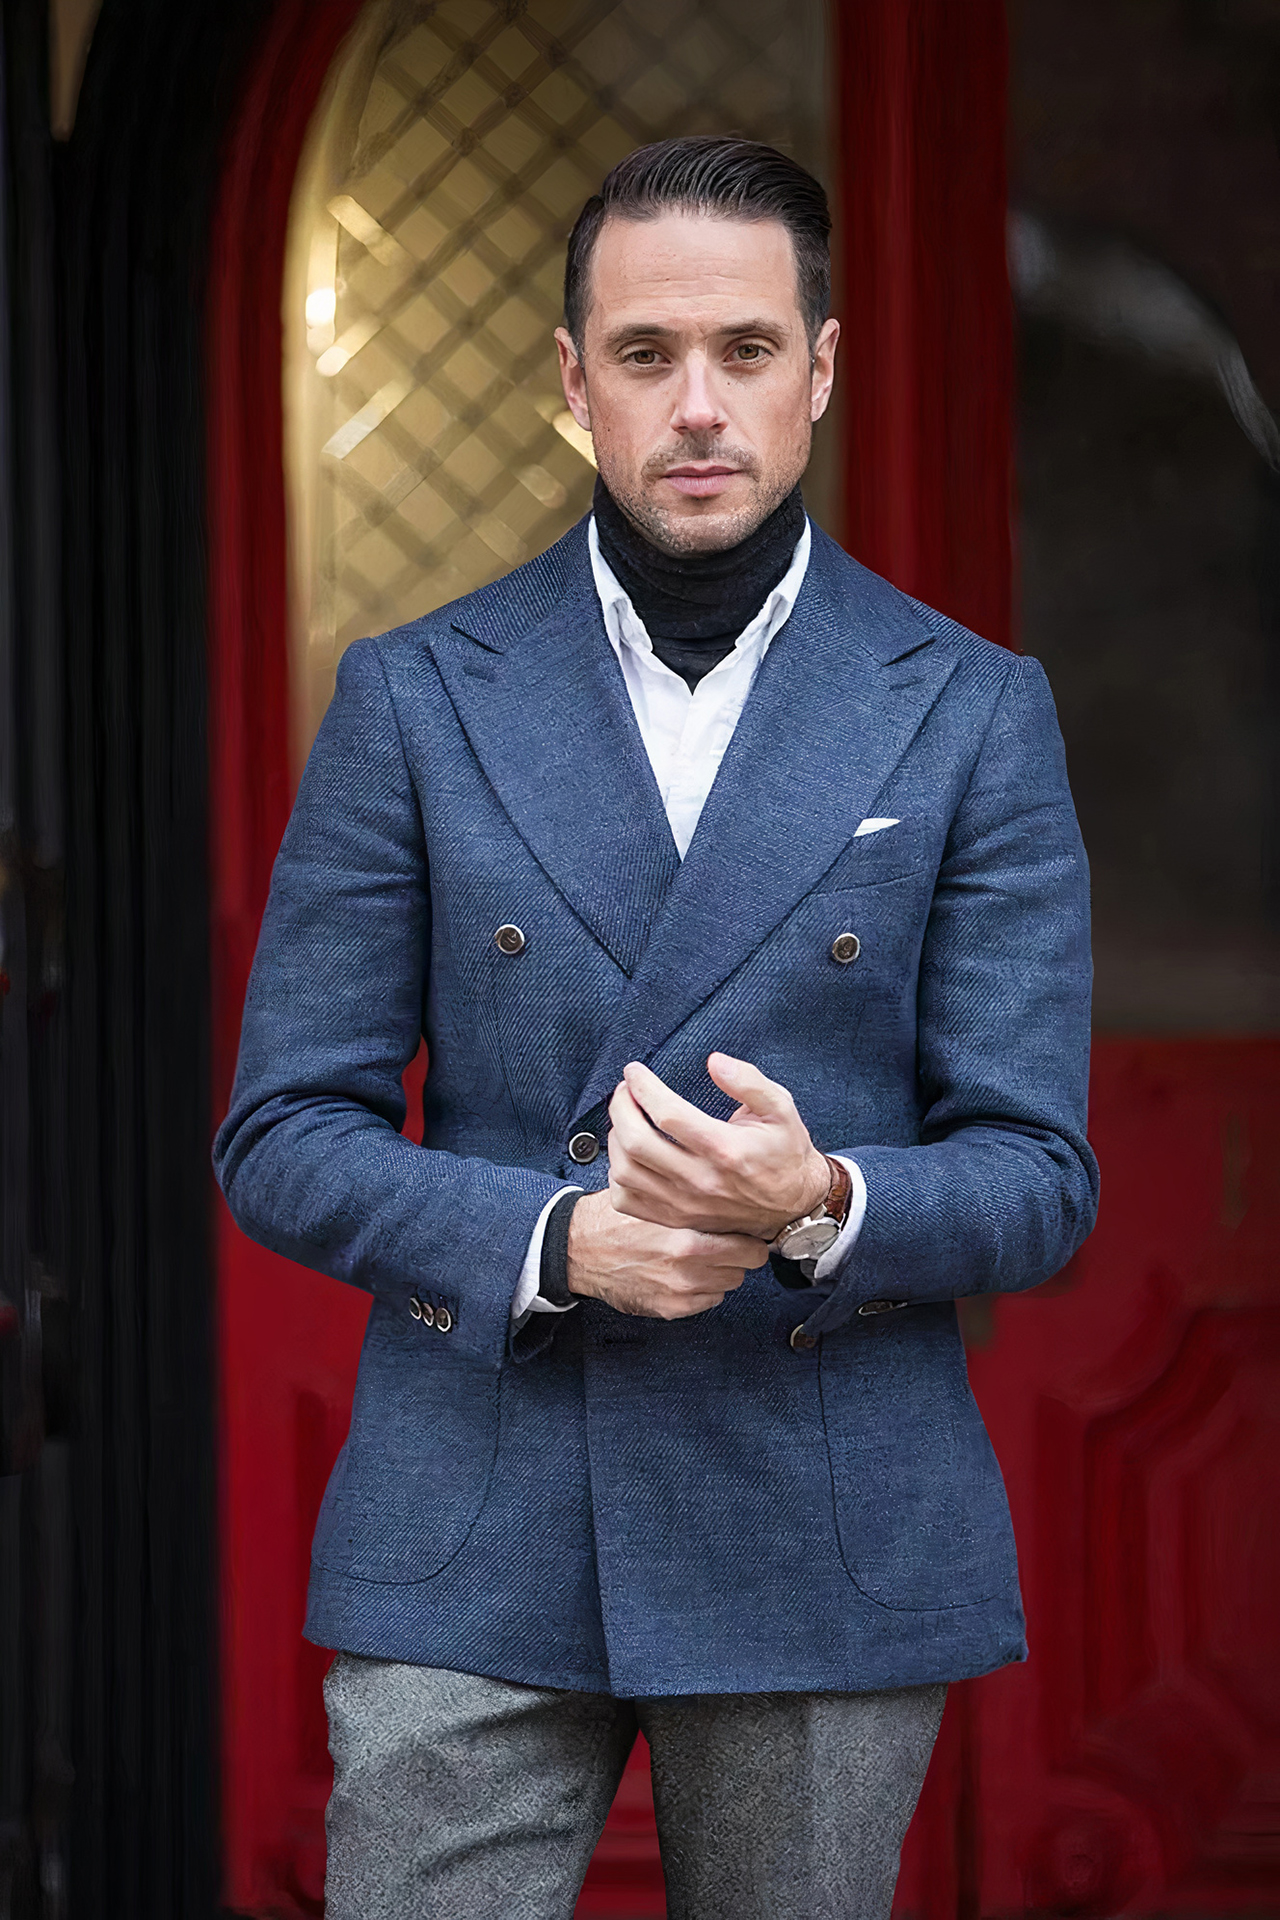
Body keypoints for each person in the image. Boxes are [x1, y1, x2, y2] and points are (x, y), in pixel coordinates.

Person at [214, 135, 1098, 1920]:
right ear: (572, 383)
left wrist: (825, 1203)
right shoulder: (414, 696)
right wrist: (559, 1241)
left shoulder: (972, 713)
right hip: (475, 1508)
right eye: (645, 355)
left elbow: (1037, 1174)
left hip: (819, 1508)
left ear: (822, 371)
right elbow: (280, 1131)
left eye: (748, 352)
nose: (699, 405)